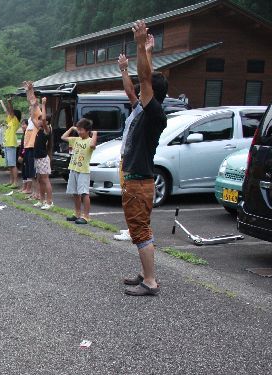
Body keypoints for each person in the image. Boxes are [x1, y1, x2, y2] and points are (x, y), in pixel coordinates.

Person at [121, 20, 167, 296]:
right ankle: (145, 273)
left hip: (139, 183)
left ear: (151, 93)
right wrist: (147, 52)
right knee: (141, 228)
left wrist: (140, 46)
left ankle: (150, 281)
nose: (139, 91)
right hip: (138, 180)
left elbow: (145, 79)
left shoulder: (154, 114)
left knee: (139, 230)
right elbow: (140, 83)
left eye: (144, 88)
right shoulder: (145, 111)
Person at [61, 118, 97, 224]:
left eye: (81, 130)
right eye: (78, 129)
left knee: (84, 193)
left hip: (83, 170)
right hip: (73, 168)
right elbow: (63, 137)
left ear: (87, 130)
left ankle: (86, 216)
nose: (79, 132)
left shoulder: (90, 141)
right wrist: (72, 128)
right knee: (75, 193)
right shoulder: (76, 139)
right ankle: (77, 213)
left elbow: (93, 145)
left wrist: (95, 134)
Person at [33, 97, 53, 209]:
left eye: (41, 120)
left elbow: (44, 119)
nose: (40, 121)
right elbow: (32, 118)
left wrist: (43, 104)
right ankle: (41, 200)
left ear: (47, 122)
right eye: (39, 120)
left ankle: (49, 202)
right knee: (40, 180)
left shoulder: (47, 130)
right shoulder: (40, 129)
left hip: (43, 158)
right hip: (37, 158)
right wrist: (34, 105)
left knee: (45, 180)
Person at [0, 98, 22, 187]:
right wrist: (2, 103)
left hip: (11, 144)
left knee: (13, 164)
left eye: (11, 113)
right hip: (6, 144)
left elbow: (10, 111)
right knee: (9, 165)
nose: (9, 114)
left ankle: (15, 183)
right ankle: (11, 181)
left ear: (15, 115)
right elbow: (6, 111)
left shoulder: (15, 121)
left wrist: (9, 102)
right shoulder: (10, 120)